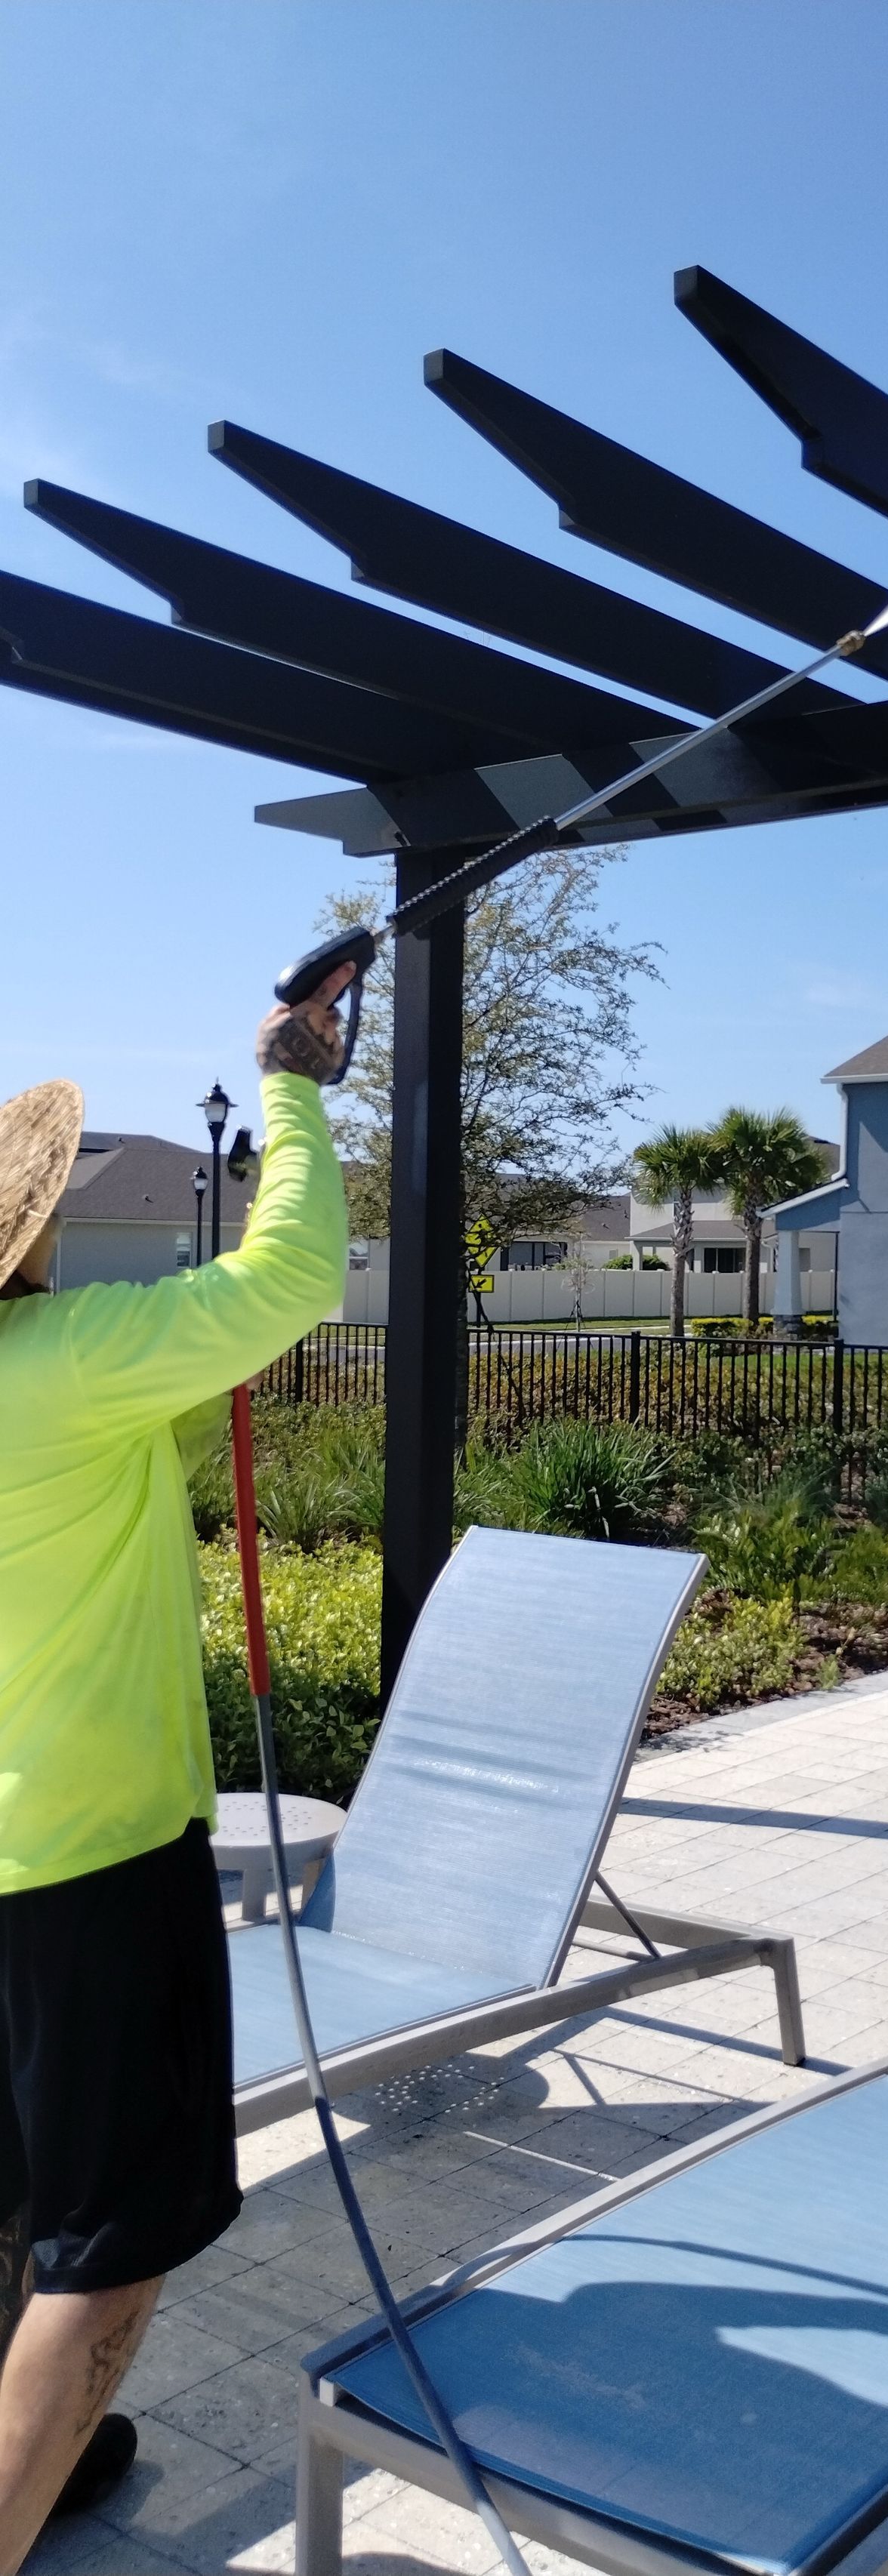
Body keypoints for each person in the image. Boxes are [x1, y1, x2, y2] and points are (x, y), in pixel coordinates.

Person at [0, 966, 353, 2568]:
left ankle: (45, 2464)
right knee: (104, 2253)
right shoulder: (67, 1361)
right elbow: (292, 1276)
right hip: (85, 1867)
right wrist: (290, 1078)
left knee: (15, 2203)